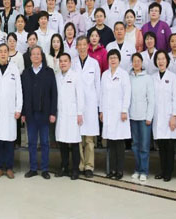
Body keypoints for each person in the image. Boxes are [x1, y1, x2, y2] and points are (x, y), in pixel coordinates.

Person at [0, 44, 22, 179]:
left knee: (9, 140)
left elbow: (19, 91)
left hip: (10, 110)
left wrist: (18, 108)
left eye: (5, 51)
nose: (3, 54)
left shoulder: (14, 69)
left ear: (8, 54)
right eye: (0, 51)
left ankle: (9, 167)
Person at [21, 46, 57, 179]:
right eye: (33, 54)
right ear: (30, 57)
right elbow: (23, 94)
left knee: (45, 142)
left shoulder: (49, 72)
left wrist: (53, 113)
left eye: (38, 54)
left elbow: (54, 94)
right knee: (31, 142)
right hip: (30, 114)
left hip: (45, 114)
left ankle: (45, 169)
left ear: (42, 56)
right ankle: (33, 168)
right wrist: (23, 113)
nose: (36, 56)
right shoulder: (26, 73)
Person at [100, 49, 131, 180]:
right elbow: (101, 94)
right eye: (111, 58)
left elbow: (127, 94)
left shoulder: (124, 74)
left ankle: (119, 170)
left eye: (115, 58)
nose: (113, 60)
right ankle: (111, 169)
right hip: (108, 113)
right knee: (110, 143)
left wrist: (124, 110)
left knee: (119, 143)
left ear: (119, 60)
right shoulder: (105, 75)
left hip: (119, 114)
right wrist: (101, 111)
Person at [72, 35, 101, 177]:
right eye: (80, 45)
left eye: (85, 44)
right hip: (76, 104)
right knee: (78, 138)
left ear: (88, 46)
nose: (82, 47)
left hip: (90, 105)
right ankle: (80, 165)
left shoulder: (94, 63)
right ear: (76, 47)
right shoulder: (73, 63)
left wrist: (99, 107)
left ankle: (89, 166)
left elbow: (98, 85)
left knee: (89, 139)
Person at [55, 53, 84, 180]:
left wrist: (80, 113)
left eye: (65, 61)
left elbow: (80, 96)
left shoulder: (76, 76)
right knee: (62, 143)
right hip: (61, 114)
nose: (63, 63)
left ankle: (75, 169)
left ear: (70, 63)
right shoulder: (57, 76)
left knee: (74, 143)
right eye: (61, 61)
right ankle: (64, 167)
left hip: (73, 114)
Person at [152, 51, 176, 181]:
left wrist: (174, 115)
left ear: (167, 61)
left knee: (169, 146)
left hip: (169, 117)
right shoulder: (153, 77)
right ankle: (163, 170)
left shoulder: (172, 77)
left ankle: (169, 172)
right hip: (158, 117)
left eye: (163, 59)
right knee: (161, 146)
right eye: (158, 59)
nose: (161, 61)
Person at [129, 52, 155, 183]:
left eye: (138, 61)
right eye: (134, 61)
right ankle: (137, 169)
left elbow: (151, 99)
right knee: (135, 145)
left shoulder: (148, 78)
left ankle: (144, 171)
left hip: (145, 117)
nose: (136, 63)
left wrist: (149, 116)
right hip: (132, 117)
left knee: (144, 146)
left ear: (142, 63)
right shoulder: (129, 78)